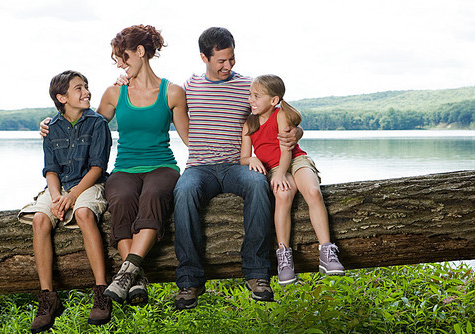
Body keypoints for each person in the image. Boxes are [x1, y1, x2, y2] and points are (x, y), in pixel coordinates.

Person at [40, 25, 189, 306]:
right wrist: (51, 123)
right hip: (124, 168)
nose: (119, 64)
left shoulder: (172, 92)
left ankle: (126, 272)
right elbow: (85, 126)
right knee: (119, 199)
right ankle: (136, 277)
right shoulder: (113, 93)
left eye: (123, 57)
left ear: (140, 52)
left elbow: (189, 138)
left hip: (162, 166)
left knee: (154, 196)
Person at [173, 27, 302, 310]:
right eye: (221, 61)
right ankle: (189, 280)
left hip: (237, 165)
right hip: (200, 167)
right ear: (203, 57)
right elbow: (162, 103)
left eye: (231, 59)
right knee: (183, 193)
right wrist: (124, 80)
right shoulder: (189, 86)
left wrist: (296, 132)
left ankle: (257, 274)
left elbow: (280, 111)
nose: (228, 66)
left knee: (258, 184)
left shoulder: (247, 86)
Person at [19, 70, 113, 333]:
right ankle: (48, 298)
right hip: (60, 186)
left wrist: (72, 197)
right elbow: (51, 169)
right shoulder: (52, 127)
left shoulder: (97, 124)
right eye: (79, 88)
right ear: (62, 97)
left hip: (89, 184)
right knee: (39, 219)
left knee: (84, 214)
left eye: (86, 87)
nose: (86, 92)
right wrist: (58, 195)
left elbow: (97, 168)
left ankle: (101, 292)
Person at [240, 74, 345, 286]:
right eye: (250, 95)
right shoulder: (249, 124)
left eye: (256, 96)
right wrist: (252, 158)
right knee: (283, 193)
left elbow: (286, 149)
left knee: (313, 191)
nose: (251, 99)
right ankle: (284, 256)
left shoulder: (280, 116)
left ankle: (326, 251)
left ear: (274, 100)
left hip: (295, 160)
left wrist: (281, 173)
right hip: (273, 167)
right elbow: (243, 157)